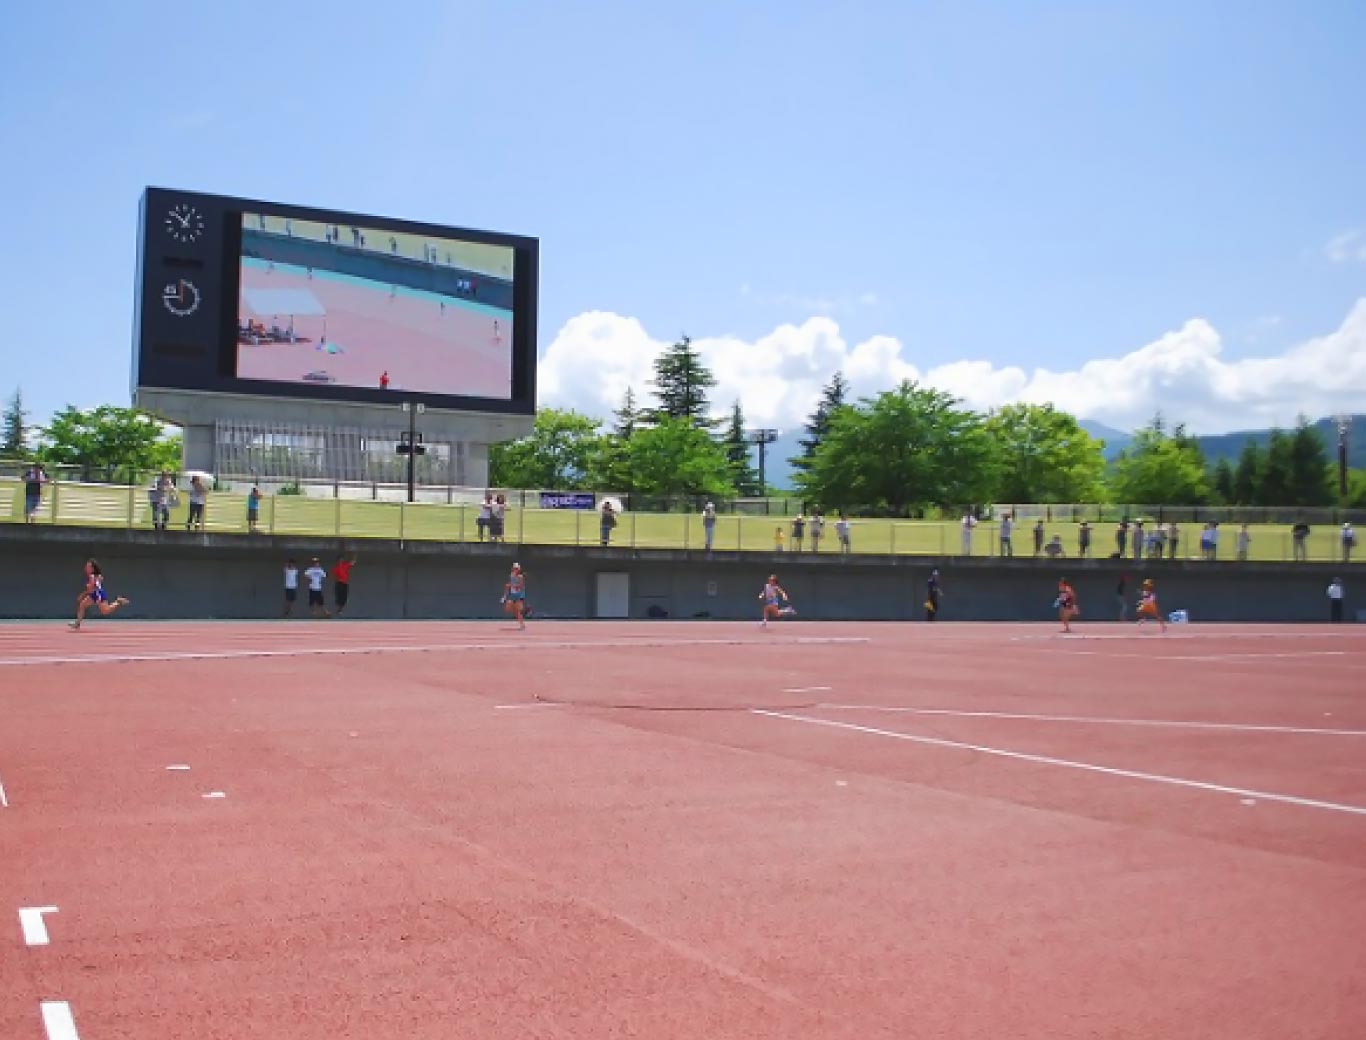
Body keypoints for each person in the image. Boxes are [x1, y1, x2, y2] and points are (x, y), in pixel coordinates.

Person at [69, 559, 129, 630]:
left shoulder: (92, 576)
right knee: (82, 605)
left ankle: (118, 602)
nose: (86, 568)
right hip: (94, 594)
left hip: (98, 594)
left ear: (93, 568)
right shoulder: (94, 576)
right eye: (86, 566)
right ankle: (77, 623)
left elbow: (91, 588)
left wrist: (82, 594)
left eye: (88, 567)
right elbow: (95, 584)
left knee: (105, 611)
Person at [502, 562, 528, 630]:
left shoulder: (520, 577)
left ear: (519, 569)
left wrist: (512, 586)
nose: (515, 570)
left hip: (519, 595)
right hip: (513, 595)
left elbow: (520, 586)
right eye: (514, 568)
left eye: (517, 569)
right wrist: (504, 596)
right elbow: (509, 585)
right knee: (508, 608)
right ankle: (521, 613)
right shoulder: (511, 575)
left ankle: (522, 625)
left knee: (518, 611)